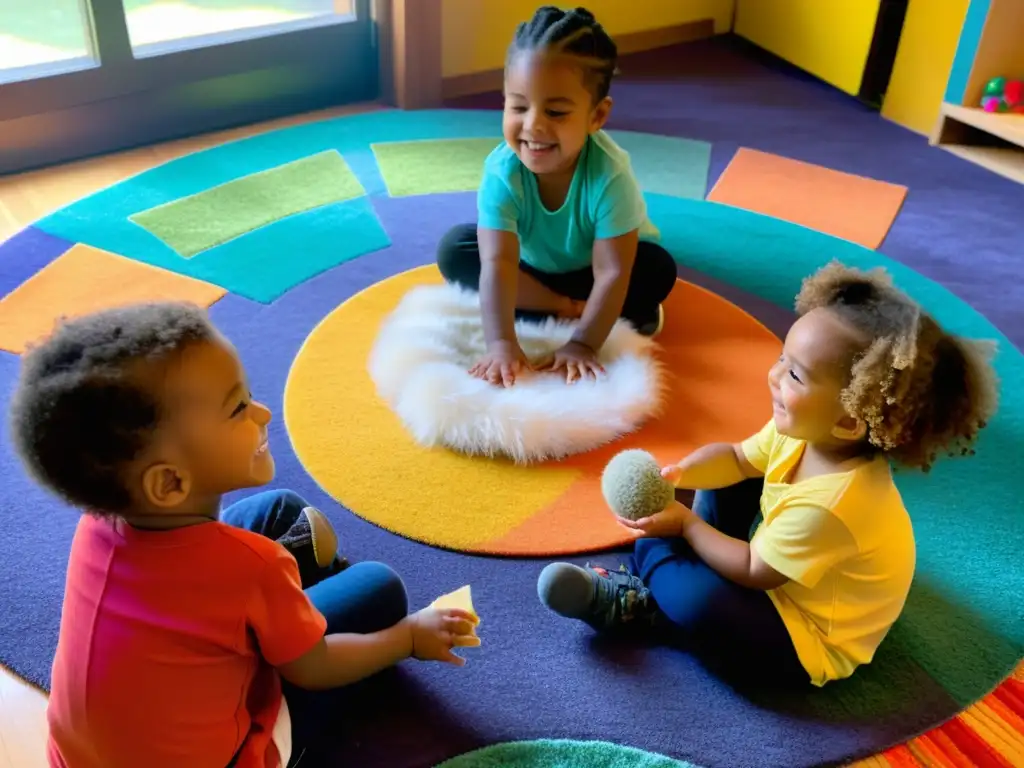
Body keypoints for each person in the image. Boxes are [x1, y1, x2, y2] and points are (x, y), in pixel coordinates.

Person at [9, 303, 479, 768]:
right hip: (237, 756)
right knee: (380, 589)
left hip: (81, 758)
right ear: (170, 482)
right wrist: (408, 637)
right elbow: (316, 669)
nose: (263, 413)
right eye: (238, 408)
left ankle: (284, 598)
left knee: (279, 511)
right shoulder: (251, 565)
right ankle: (288, 609)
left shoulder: (100, 520)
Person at [537, 262, 999, 687]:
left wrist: (685, 524)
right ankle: (664, 575)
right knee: (736, 478)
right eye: (782, 357)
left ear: (848, 420)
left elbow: (756, 570)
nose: (774, 376)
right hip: (773, 573)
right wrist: (680, 474)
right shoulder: (808, 434)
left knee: (699, 603)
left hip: (800, 641)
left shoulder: (836, 505)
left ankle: (647, 598)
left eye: (795, 376)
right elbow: (738, 459)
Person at [436, 5, 678, 388]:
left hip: (593, 272)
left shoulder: (609, 173)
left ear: (596, 116)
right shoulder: (502, 172)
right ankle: (561, 307)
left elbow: (613, 271)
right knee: (455, 251)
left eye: (556, 111)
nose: (533, 126)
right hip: (527, 268)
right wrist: (501, 342)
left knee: (657, 268)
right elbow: (498, 262)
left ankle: (561, 309)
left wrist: (583, 343)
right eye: (518, 106)